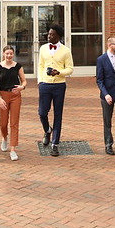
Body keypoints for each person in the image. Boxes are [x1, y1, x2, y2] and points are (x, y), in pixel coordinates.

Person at [37, 23, 74, 157]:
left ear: (58, 36)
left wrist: (59, 72)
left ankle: (55, 144)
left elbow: (70, 69)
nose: (49, 36)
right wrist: (40, 81)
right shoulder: (43, 49)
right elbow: (40, 66)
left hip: (59, 85)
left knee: (58, 114)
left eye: (52, 34)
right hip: (45, 85)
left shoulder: (66, 51)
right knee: (42, 112)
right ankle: (47, 130)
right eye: (48, 34)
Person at [0, 45, 27, 161]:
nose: (9, 56)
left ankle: (13, 149)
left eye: (11, 53)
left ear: (13, 54)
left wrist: (22, 87)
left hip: (15, 95)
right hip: (3, 95)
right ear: (3, 54)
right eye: (7, 53)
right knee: (3, 122)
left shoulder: (18, 66)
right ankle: (4, 137)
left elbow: (24, 80)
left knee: (14, 123)